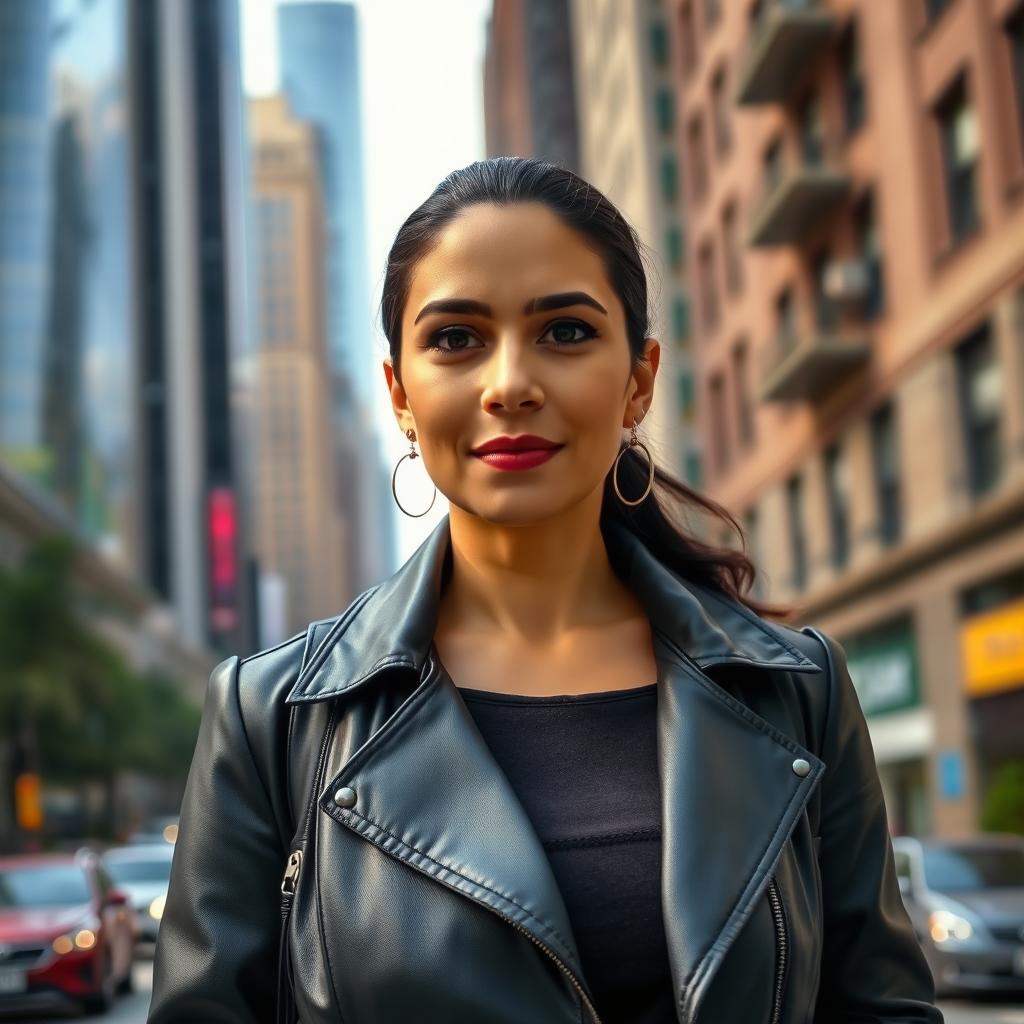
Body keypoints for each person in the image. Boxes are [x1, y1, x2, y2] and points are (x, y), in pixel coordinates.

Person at [148, 157, 943, 1024]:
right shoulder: (276, 719)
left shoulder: (799, 691)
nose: (510, 384)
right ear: (400, 396)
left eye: (565, 331)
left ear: (638, 379)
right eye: (456, 339)